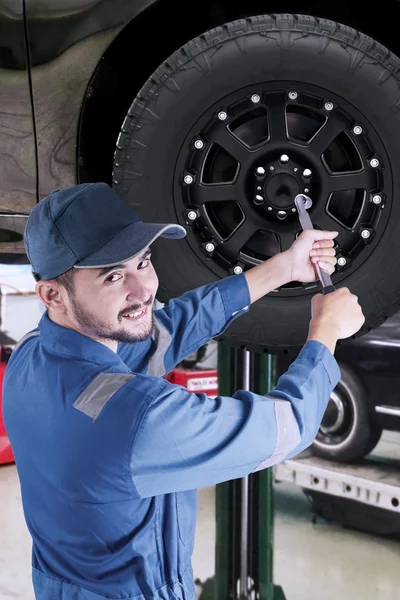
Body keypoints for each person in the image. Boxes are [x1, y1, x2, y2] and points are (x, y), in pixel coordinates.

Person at [2, 182, 364, 600]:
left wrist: (284, 268)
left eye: (143, 262)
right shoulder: (136, 420)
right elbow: (286, 427)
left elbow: (169, 328)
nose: (143, 291)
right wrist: (326, 333)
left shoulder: (35, 355)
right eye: (113, 275)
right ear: (52, 295)